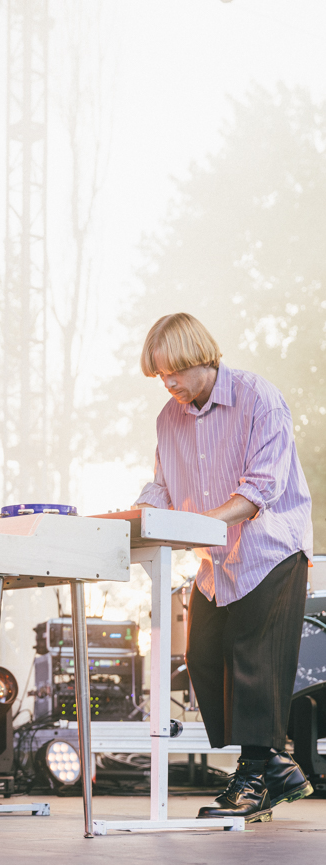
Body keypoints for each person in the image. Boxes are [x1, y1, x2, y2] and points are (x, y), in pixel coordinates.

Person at [134, 313, 313, 822]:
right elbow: (161, 487)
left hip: (270, 547)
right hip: (215, 559)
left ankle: (258, 773)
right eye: (159, 377)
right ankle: (273, 768)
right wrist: (136, 519)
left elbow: (261, 488)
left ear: (200, 358)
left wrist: (205, 524)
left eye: (174, 373)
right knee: (204, 654)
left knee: (253, 657)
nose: (168, 385)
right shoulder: (169, 419)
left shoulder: (260, 398)